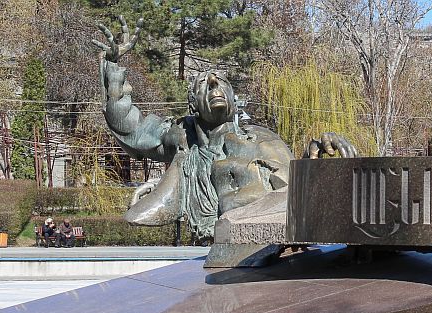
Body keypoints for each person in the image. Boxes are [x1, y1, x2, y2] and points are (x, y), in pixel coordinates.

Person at [94, 17, 357, 241]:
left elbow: (293, 193)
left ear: (233, 100)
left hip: (257, 246)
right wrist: (112, 68)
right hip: (209, 252)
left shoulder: (260, 138)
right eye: (203, 84)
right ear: (193, 104)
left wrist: (319, 157)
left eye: (220, 82)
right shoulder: (180, 136)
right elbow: (130, 127)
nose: (212, 83)